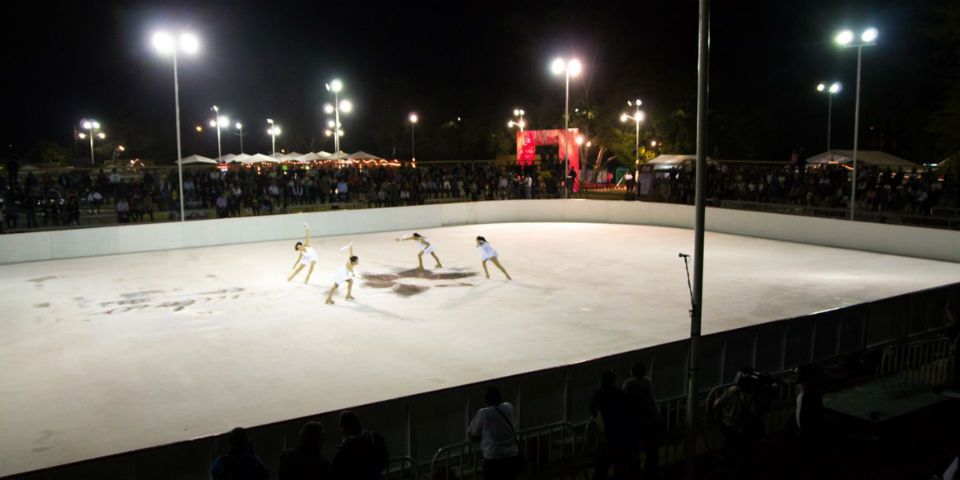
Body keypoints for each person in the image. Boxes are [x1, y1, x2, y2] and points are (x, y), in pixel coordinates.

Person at [468, 386, 522, 480]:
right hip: (512, 456)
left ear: (486, 400)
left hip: (494, 458)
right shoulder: (508, 407)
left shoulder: (484, 413)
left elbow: (473, 432)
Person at [590, 371, 637, 480]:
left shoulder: (599, 395)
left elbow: (593, 410)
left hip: (607, 436)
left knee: (602, 466)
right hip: (620, 435)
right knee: (620, 465)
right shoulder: (619, 393)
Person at [622, 362, 663, 479]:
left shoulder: (628, 384)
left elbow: (625, 402)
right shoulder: (648, 382)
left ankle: (634, 472)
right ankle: (651, 471)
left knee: (634, 450)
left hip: (635, 422)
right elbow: (651, 401)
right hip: (649, 420)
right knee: (651, 448)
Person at [331, 411, 388, 480]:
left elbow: (336, 472)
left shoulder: (344, 450)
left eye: (342, 428)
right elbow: (384, 461)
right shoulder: (376, 438)